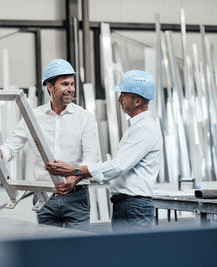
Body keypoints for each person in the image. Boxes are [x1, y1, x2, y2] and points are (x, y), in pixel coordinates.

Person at [0, 59, 99, 231]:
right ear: (50, 87)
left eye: (72, 84)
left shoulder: (85, 118)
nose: (70, 89)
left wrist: (73, 179)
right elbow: (10, 148)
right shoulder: (33, 117)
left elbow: (91, 160)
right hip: (44, 196)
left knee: (79, 251)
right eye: (65, 84)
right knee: (48, 251)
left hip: (76, 195)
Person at [46, 70, 162, 232]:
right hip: (127, 205)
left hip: (134, 206)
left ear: (137, 101)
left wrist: (76, 170)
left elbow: (118, 166)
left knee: (133, 255)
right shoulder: (136, 127)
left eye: (123, 95)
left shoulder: (145, 129)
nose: (119, 99)